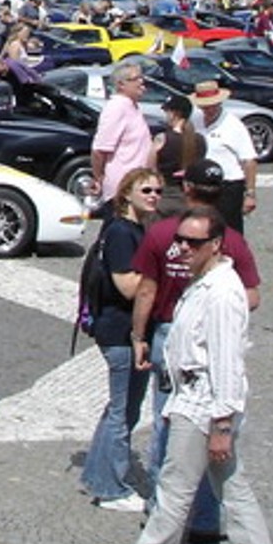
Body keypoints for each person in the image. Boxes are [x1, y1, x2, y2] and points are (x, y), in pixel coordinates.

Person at [94, 206, 273, 544]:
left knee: (174, 490)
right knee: (231, 486)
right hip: (192, 398)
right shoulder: (203, 284)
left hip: (206, 405)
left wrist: (222, 425)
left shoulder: (222, 294)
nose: (183, 248)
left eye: (193, 243)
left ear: (215, 245)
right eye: (180, 240)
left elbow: (227, 363)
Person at [129, 161, 262, 544]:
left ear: (186, 188)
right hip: (190, 338)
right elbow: (254, 295)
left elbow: (146, 290)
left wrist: (138, 335)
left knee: (167, 429)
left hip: (174, 335)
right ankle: (204, 520)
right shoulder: (232, 239)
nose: (186, 248)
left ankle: (160, 516)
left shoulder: (162, 233)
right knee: (203, 446)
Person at [80, 167, 166, 510]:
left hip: (124, 331)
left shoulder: (134, 229)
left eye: (158, 191)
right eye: (146, 190)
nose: (154, 196)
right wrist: (163, 277)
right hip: (120, 332)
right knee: (122, 411)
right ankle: (111, 489)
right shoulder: (121, 233)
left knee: (122, 409)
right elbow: (128, 287)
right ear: (126, 194)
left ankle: (98, 475)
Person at [193, 80, 258, 232]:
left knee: (229, 230)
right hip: (201, 185)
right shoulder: (195, 121)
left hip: (227, 186)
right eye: (204, 106)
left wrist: (250, 193)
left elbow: (249, 160)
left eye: (212, 105)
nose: (208, 109)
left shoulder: (233, 125)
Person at [91, 58, 154, 210]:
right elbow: (99, 149)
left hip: (139, 185)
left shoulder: (132, 106)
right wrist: (99, 178)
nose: (141, 82)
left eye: (141, 77)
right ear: (121, 84)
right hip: (122, 188)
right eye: (135, 79)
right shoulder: (116, 107)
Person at [154, 93, 207, 196]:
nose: (166, 116)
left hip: (166, 193)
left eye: (167, 112)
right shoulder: (200, 140)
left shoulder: (162, 138)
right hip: (191, 193)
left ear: (174, 114)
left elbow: (151, 168)